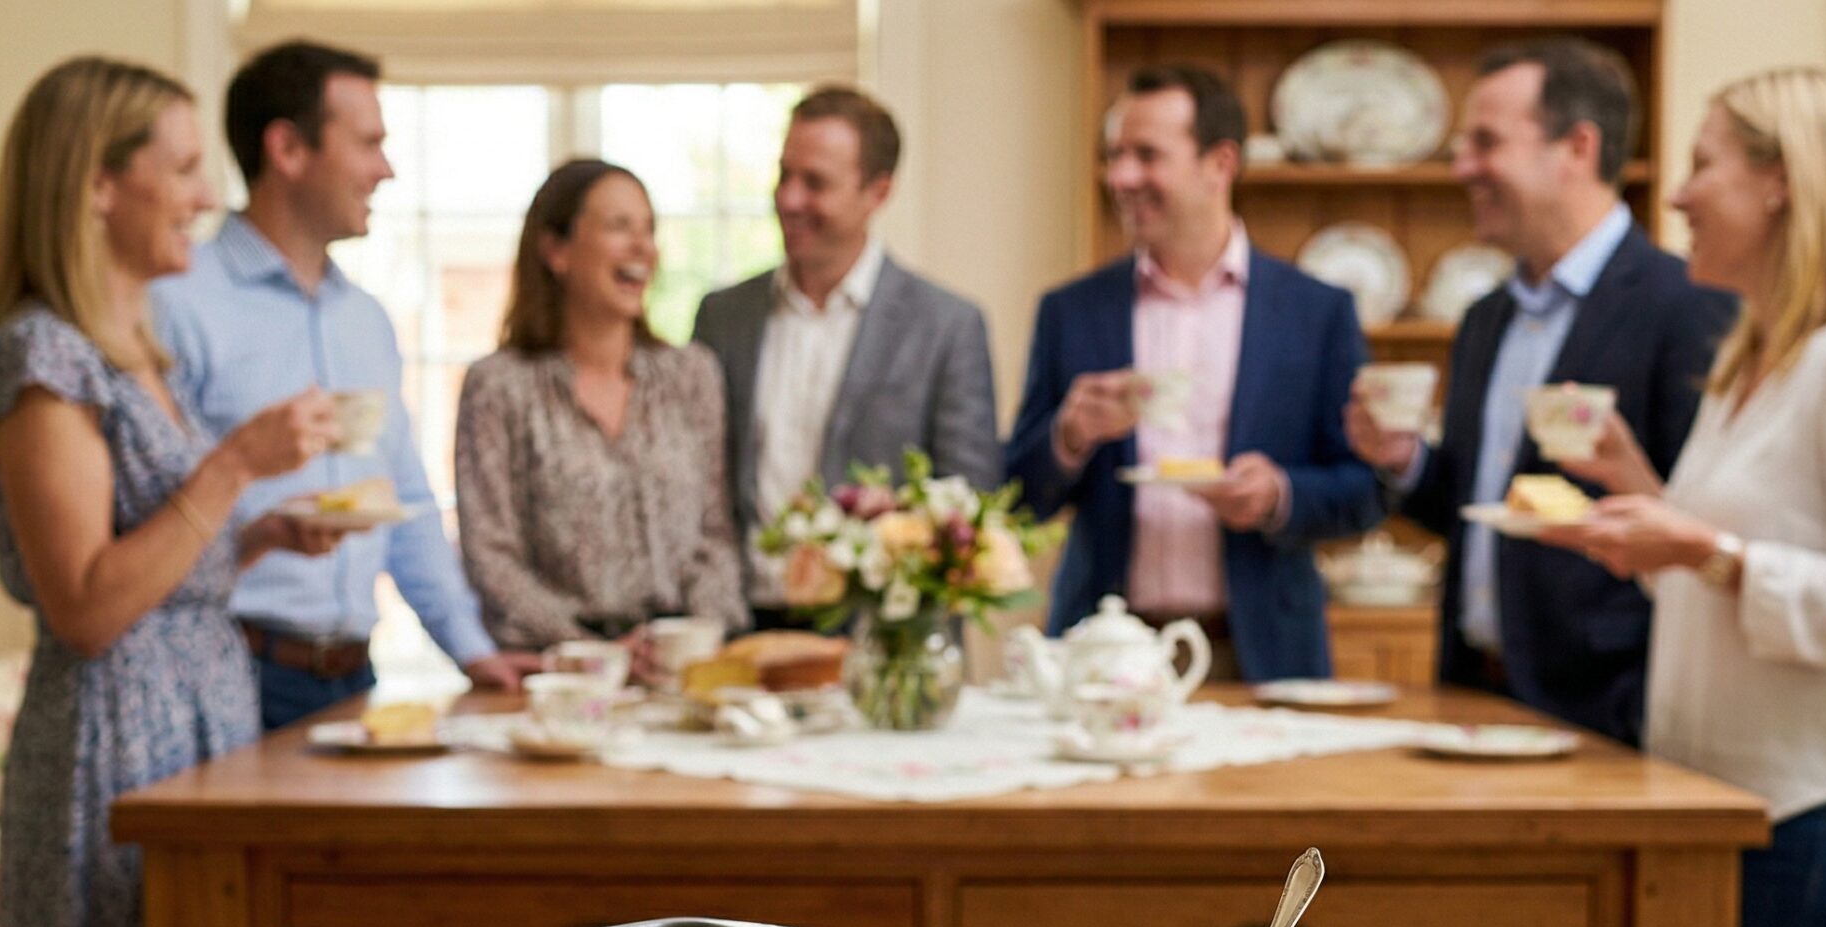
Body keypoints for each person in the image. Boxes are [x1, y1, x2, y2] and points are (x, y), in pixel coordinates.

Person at [1537, 68, 1826, 927]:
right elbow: (1723, 565)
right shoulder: (1753, 360)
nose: (1677, 194)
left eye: (1702, 166)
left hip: (1812, 816)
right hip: (1719, 802)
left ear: (1783, 181)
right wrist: (1640, 496)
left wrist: (1699, 552)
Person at [0, 57, 346, 927]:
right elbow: (88, 606)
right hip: (114, 738)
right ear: (96, 184)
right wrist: (234, 468)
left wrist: (256, 537)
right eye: (180, 170)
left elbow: (157, 553)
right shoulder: (43, 357)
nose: (208, 196)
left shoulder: (139, 352)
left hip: (202, 716)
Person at [1344, 39, 1735, 745]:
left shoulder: (1687, 306)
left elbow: (1702, 526)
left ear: (1577, 147)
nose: (1463, 166)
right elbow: (1476, 506)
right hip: (1469, 699)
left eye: (1486, 142)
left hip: (1610, 715)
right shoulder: (1484, 318)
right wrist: (1404, 459)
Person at [157, 41, 527, 729]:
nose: (385, 170)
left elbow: (406, 503)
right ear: (288, 150)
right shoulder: (176, 304)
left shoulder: (368, 322)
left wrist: (475, 653)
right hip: (231, 670)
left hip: (356, 680)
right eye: (368, 144)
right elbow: (153, 507)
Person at [1002, 65, 1381, 680]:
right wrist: (1067, 437)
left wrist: (1279, 496)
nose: (1120, 177)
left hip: (1261, 657)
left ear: (1220, 163)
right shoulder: (1070, 312)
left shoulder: (1318, 313)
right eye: (1114, 155)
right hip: (1103, 656)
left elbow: (1366, 490)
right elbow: (1017, 500)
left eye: (1146, 155)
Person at [692, 85, 1002, 626]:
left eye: (815, 182)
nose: (789, 199)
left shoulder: (946, 326)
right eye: (784, 174)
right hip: (745, 625)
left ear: (877, 192)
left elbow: (967, 504)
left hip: (883, 635)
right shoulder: (723, 317)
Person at [454, 160, 748, 656]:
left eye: (648, 228)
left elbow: (714, 537)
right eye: (618, 227)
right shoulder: (499, 387)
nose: (642, 246)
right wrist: (592, 651)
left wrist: (694, 638)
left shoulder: (691, 376)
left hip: (677, 668)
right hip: (558, 675)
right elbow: (491, 556)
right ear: (557, 250)